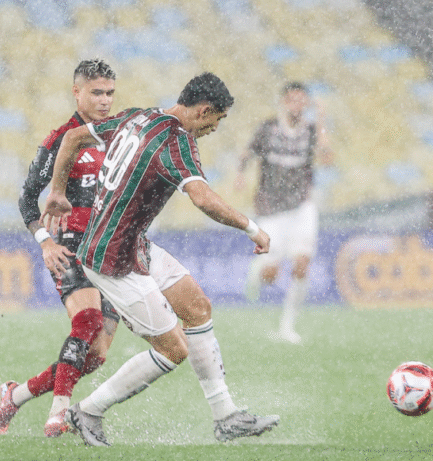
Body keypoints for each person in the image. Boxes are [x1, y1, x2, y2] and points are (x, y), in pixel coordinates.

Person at [42, 72, 280, 446]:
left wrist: (57, 192)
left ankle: (226, 416)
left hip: (132, 243)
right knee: (173, 349)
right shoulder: (176, 141)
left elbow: (72, 137)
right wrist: (252, 228)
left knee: (197, 307)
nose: (215, 128)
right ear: (204, 111)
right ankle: (87, 410)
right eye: (217, 120)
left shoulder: (139, 116)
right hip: (112, 260)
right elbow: (202, 199)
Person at [0, 59, 120, 437]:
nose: (105, 101)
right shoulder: (61, 138)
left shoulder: (115, 135)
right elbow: (28, 199)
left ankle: (14, 397)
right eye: (97, 92)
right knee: (88, 321)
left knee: (95, 356)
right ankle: (58, 415)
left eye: (110, 93)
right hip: (70, 243)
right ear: (76, 92)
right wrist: (44, 242)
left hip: (109, 249)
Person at [236, 81, 334, 344]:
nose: (296, 105)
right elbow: (247, 154)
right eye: (291, 99)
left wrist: (322, 119)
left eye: (302, 100)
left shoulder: (312, 130)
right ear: (283, 102)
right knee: (271, 275)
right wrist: (240, 175)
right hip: (271, 207)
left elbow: (327, 158)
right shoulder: (268, 129)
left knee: (302, 263)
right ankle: (258, 270)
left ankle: (287, 327)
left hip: (302, 204)